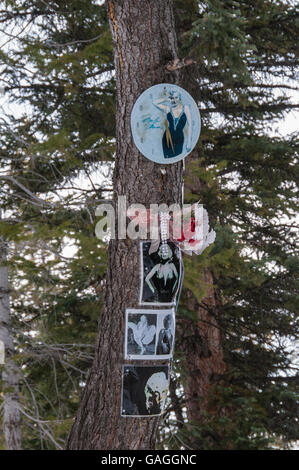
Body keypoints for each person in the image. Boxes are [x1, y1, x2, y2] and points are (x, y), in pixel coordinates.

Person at [153, 89, 191, 159]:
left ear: (179, 98)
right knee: (167, 159)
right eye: (172, 98)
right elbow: (155, 102)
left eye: (176, 97)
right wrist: (166, 99)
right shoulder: (168, 108)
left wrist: (189, 142)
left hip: (179, 139)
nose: (174, 100)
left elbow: (189, 125)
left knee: (177, 157)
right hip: (167, 138)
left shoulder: (185, 108)